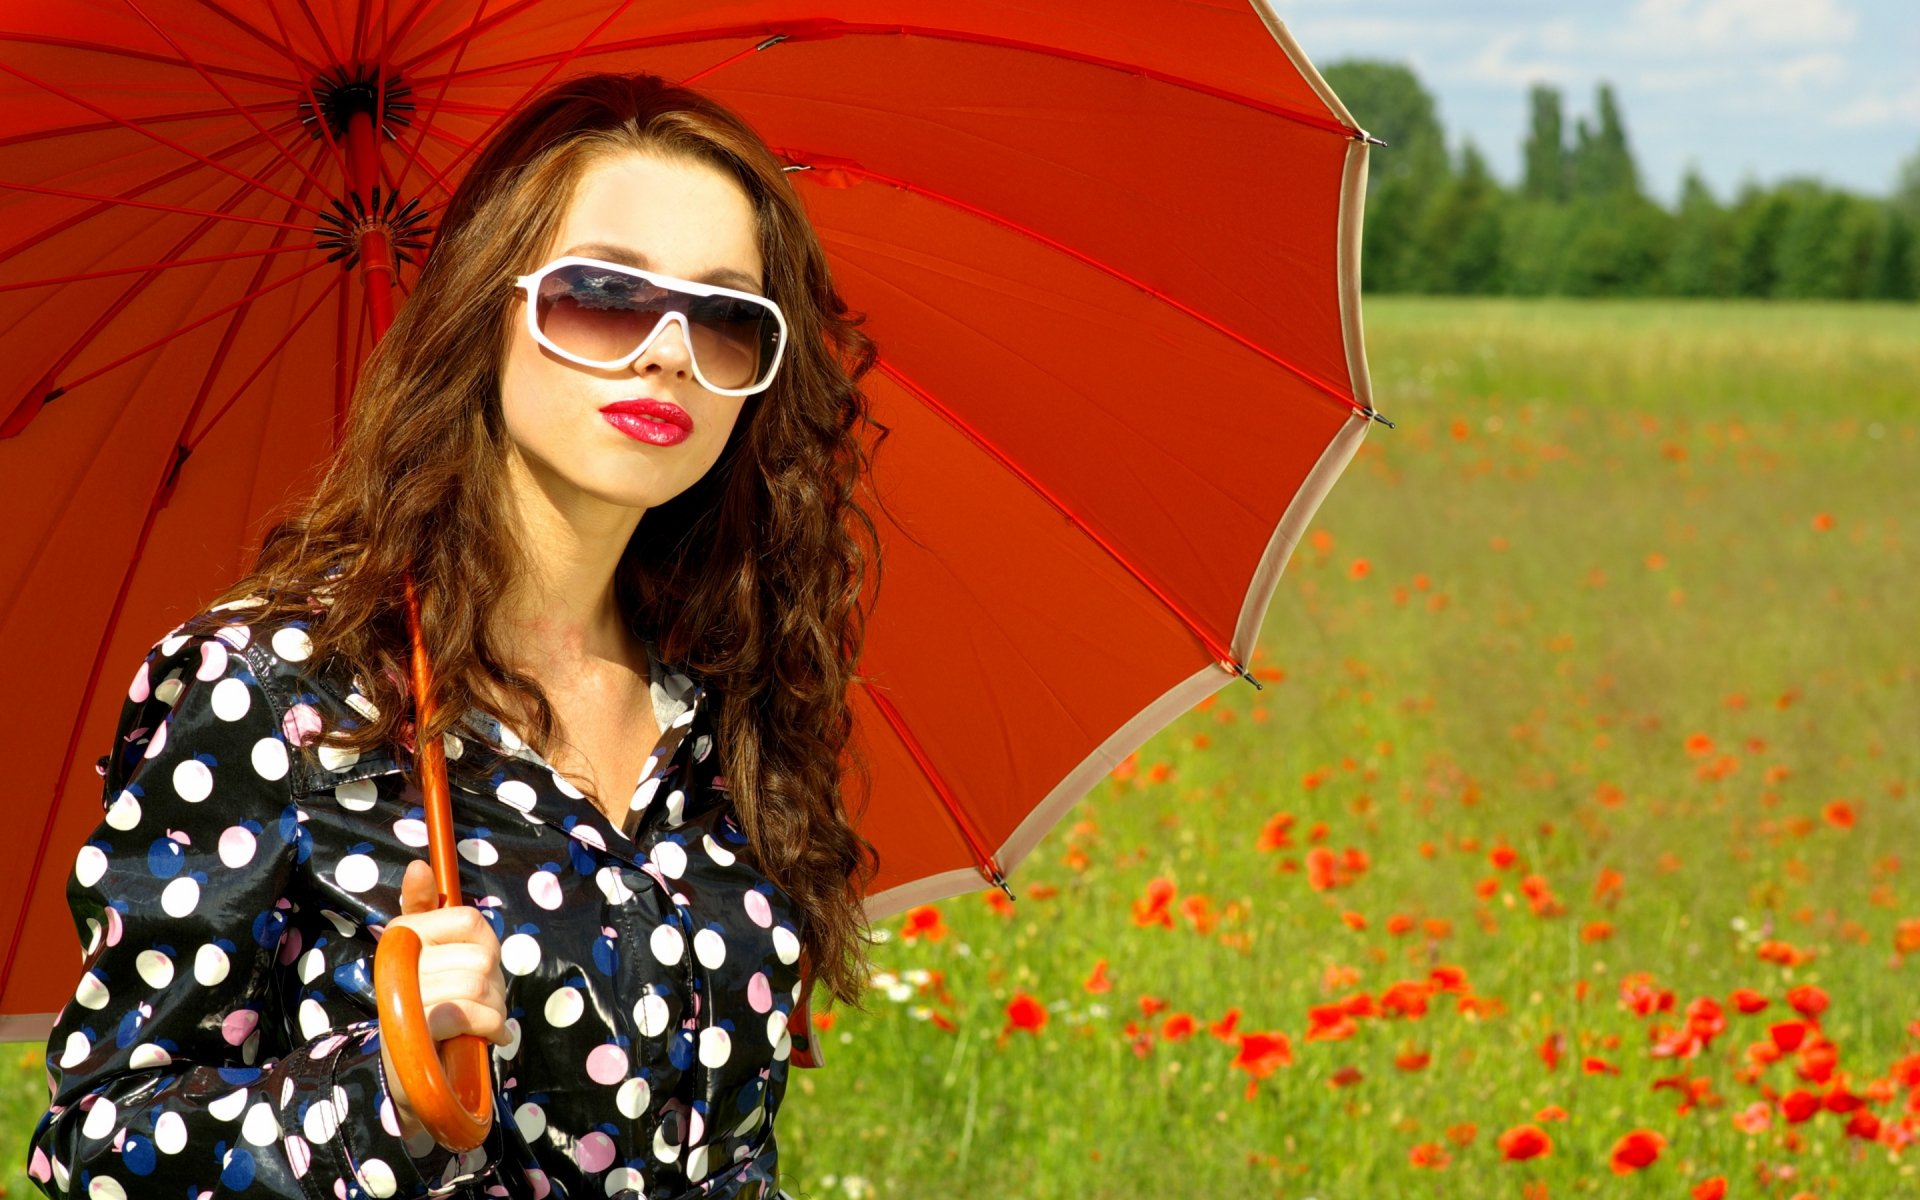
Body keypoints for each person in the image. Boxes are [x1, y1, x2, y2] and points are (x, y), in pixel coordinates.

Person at [27, 70, 887, 1200]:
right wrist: (381, 1092)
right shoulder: (273, 689)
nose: (670, 351)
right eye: (602, 295)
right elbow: (100, 1145)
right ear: (492, 308)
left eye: (727, 318)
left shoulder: (721, 693)